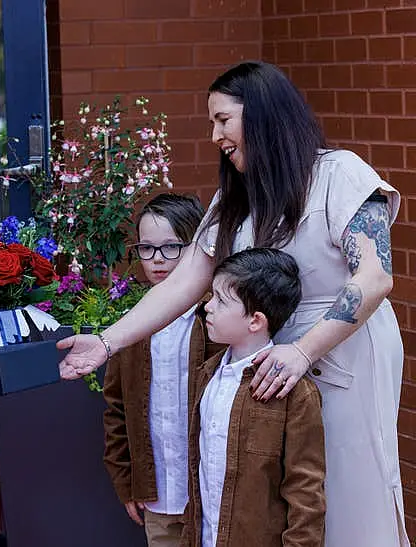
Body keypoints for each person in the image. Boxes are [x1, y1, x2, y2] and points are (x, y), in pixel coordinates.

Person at [59, 60, 409, 546]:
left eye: (223, 119)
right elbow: (181, 286)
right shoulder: (235, 200)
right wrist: (106, 341)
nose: (215, 135)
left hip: (343, 354)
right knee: (271, 502)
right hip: (266, 360)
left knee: (344, 492)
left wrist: (303, 351)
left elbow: (374, 277)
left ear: (263, 113)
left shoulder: (339, 174)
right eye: (211, 124)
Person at [182, 247, 325, 547]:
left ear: (255, 320)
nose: (208, 307)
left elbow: (305, 490)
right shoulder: (207, 375)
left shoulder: (294, 393)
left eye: (221, 300)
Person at [103, 193, 209, 547]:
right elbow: (116, 409)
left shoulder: (216, 323)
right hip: (159, 494)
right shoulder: (132, 328)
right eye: (146, 248)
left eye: (171, 248)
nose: (157, 260)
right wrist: (127, 481)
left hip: (209, 495)